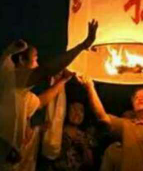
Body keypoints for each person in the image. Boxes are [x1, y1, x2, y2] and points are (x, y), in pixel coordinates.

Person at [0, 20, 98, 169]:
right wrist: (82, 46)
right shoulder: (8, 77)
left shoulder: (21, 94)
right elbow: (45, 70)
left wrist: (64, 80)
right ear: (21, 59)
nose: (38, 64)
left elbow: (41, 101)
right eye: (35, 59)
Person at [46, 102, 94, 171]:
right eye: (74, 109)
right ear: (67, 111)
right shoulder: (57, 132)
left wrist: (84, 147)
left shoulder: (85, 137)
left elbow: (89, 164)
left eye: (81, 110)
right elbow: (48, 157)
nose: (77, 113)